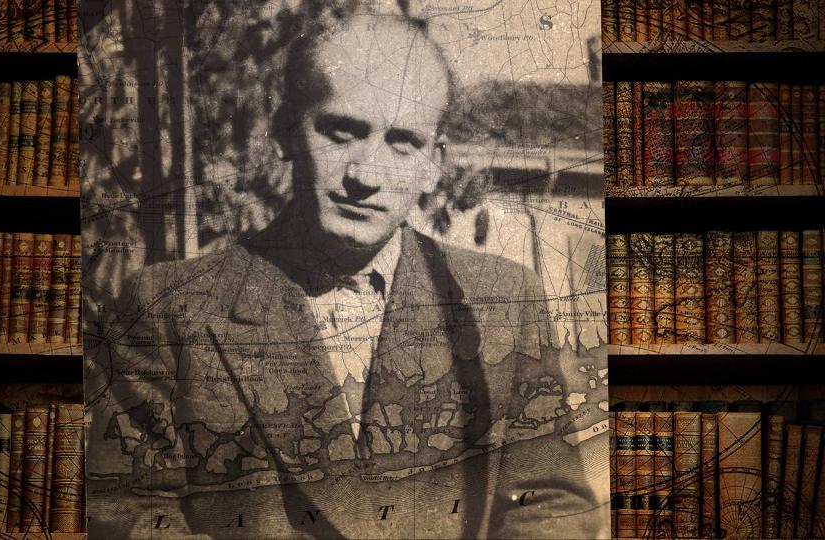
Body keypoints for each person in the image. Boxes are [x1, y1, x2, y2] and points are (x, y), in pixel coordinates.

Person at [87, 12, 606, 538]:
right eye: (341, 132)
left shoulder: (501, 302)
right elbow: (127, 512)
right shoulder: (170, 309)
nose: (365, 175)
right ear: (286, 130)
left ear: (434, 163)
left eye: (403, 141)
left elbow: (550, 504)